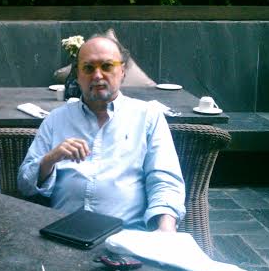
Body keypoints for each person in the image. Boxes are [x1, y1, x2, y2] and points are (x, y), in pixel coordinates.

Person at [17, 33, 185, 232]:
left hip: (127, 234)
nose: (97, 75)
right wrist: (51, 159)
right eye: (88, 68)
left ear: (122, 71)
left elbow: (165, 181)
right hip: (64, 233)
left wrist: (165, 229)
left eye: (106, 66)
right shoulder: (56, 119)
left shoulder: (148, 117)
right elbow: (24, 185)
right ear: (77, 75)